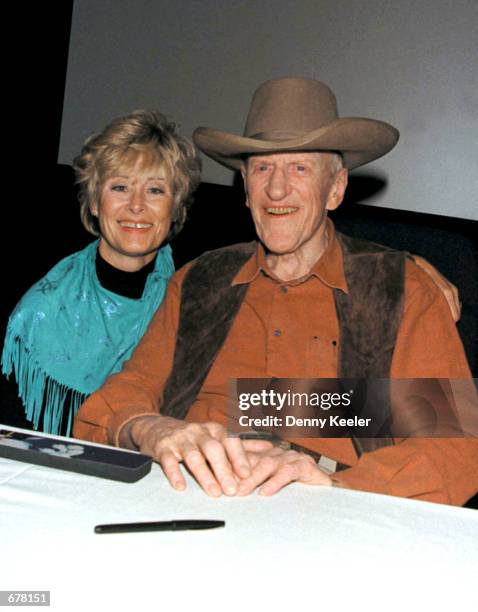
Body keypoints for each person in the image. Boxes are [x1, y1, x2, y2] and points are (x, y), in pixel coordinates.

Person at [73, 78, 477, 505]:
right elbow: (125, 392)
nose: (277, 189)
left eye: (299, 168)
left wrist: (336, 484)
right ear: (245, 187)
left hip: (330, 513)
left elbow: (456, 447)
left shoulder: (399, 290)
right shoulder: (197, 282)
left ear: (335, 188)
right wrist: (148, 427)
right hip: (184, 495)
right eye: (263, 169)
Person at [1, 110, 201, 436]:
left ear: (176, 207)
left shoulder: (196, 298)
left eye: (155, 190)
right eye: (120, 187)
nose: (136, 205)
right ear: (94, 203)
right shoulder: (40, 311)